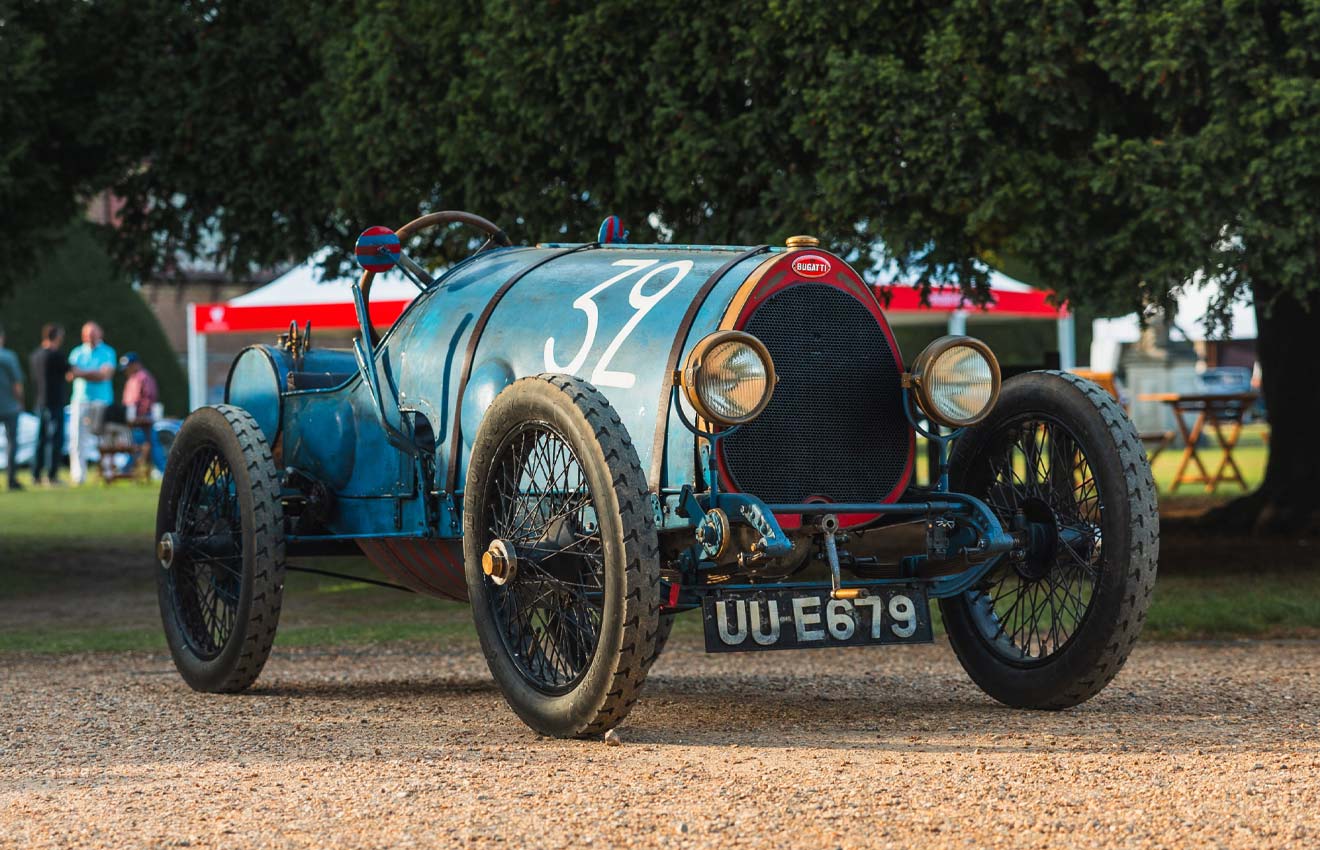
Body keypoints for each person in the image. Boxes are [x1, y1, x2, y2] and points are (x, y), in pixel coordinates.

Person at [66, 322, 116, 485]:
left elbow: (105, 375)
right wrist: (92, 373)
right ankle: (79, 475)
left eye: (93, 333)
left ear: (100, 334)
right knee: (77, 438)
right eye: (87, 334)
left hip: (102, 401)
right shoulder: (77, 352)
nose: (90, 337)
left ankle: (108, 472)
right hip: (80, 400)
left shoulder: (108, 352)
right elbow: (70, 375)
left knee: (104, 438)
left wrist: (82, 373)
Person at [29, 323, 68, 486]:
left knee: (40, 440)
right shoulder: (56, 355)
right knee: (55, 440)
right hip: (54, 402)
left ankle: (36, 474)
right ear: (57, 336)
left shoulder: (35, 355)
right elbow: (70, 372)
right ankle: (52, 476)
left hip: (40, 402)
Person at [119, 352, 159, 474]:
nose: (127, 370)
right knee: (137, 443)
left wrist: (140, 415)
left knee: (147, 443)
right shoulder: (131, 379)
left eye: (129, 366)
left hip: (143, 417)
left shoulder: (144, 377)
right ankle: (127, 468)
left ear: (136, 364)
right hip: (133, 417)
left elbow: (148, 397)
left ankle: (161, 469)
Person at [0, 324, 24, 491]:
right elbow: (17, 384)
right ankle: (11, 479)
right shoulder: (8, 357)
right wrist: (20, 401)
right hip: (8, 406)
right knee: (11, 444)